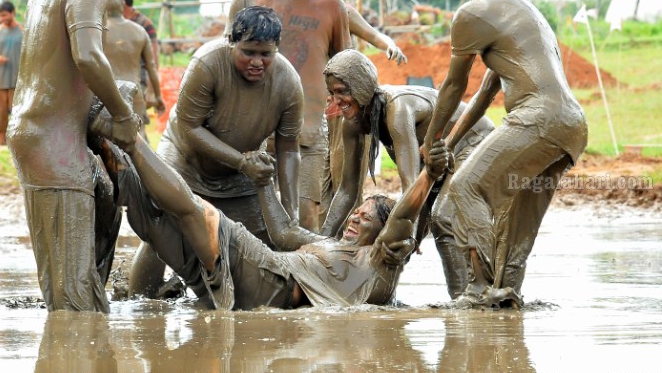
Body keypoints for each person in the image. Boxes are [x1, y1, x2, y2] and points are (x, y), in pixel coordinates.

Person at [98, 116, 448, 310]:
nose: (355, 217)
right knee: (152, 223)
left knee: (198, 212)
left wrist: (429, 176)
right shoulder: (326, 244)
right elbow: (282, 232)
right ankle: (102, 142)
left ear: (382, 231)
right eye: (357, 211)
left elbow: (402, 219)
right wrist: (264, 182)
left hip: (270, 279)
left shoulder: (376, 263)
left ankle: (131, 140)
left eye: (366, 216)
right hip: (248, 280)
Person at [421, 0, 588, 308]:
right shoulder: (527, 13)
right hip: (572, 126)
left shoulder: (474, 12)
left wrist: (430, 143)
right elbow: (483, 94)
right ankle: (505, 295)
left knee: (465, 190)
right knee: (516, 222)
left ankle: (480, 292)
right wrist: (446, 144)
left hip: (538, 119)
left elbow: (452, 87)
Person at [6, 0, 141, 312]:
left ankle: (84, 359)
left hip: (35, 130)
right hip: (53, 140)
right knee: (72, 295)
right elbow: (88, 58)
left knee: (104, 199)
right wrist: (123, 115)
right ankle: (73, 361)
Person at [127, 6, 304, 298]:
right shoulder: (207, 64)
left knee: (262, 239)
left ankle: (250, 301)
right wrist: (240, 161)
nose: (257, 62)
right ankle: (140, 303)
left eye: (266, 54)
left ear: (277, 50)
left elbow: (288, 147)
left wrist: (291, 212)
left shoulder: (288, 83)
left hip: (240, 170)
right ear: (231, 43)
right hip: (186, 159)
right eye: (248, 52)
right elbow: (188, 127)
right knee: (164, 228)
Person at [320, 49, 494, 296]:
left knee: (443, 217)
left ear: (361, 87)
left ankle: (464, 300)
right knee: (403, 239)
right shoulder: (353, 123)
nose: (336, 100)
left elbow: (410, 185)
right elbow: (347, 191)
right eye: (332, 93)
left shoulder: (397, 109)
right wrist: (321, 242)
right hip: (434, 161)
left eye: (342, 91)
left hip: (473, 142)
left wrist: (410, 236)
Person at [228, 0, 352, 231]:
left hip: (307, 130)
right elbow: (226, 57)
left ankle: (301, 281)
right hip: (251, 132)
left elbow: (346, 65)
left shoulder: (331, 5)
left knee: (304, 219)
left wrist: (343, 99)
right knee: (247, 220)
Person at [103, 0, 166, 131]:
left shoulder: (97, 32)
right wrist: (157, 96)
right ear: (123, 3)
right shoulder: (140, 31)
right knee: (138, 141)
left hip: (105, 95)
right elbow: (151, 67)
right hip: (134, 93)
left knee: (105, 144)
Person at [0, 1, 23, 146]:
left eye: (5, 15)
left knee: (17, 111)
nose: (2, 18)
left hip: (18, 79)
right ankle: (1, 141)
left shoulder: (23, 30)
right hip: (0, 78)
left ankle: (17, 142)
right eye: (0, 15)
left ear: (13, 13)